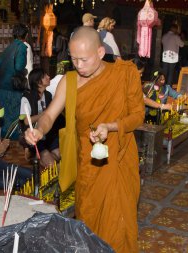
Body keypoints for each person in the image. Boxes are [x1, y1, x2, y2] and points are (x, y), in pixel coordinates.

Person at [25, 26, 144, 253]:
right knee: (88, 215)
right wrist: (39, 130)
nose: (78, 66)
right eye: (74, 60)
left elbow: (138, 116)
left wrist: (110, 127)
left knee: (119, 218)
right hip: (89, 162)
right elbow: (49, 115)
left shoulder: (124, 74)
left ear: (100, 53)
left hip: (119, 158)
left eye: (84, 60)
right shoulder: (69, 81)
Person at [20, 68, 64, 167]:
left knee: (60, 156)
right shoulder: (27, 97)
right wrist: (44, 114)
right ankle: (35, 154)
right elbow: (26, 121)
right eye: (45, 76)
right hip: (34, 137)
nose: (49, 77)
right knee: (51, 164)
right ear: (38, 82)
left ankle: (38, 157)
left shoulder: (48, 95)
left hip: (48, 135)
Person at [0, 23, 28, 140]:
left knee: (4, 112)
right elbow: (19, 67)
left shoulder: (8, 47)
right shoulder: (22, 47)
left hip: (0, 84)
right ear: (26, 35)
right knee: (14, 112)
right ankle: (13, 137)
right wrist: (24, 70)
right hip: (12, 86)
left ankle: (4, 136)